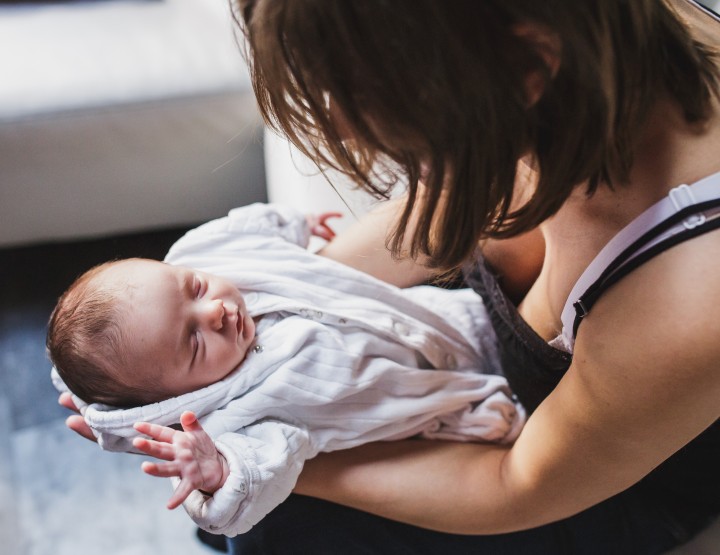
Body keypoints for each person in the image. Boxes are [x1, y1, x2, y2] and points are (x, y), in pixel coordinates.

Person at [60, 0, 720, 553]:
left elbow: (517, 482)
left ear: (527, 67)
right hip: (505, 380)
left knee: (282, 520)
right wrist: (245, 365)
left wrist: (258, 459)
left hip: (604, 483)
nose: (345, 127)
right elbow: (416, 235)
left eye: (362, 93)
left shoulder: (691, 297)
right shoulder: (571, 76)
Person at [48, 202, 524, 536]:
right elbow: (258, 472)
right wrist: (216, 471)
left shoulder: (210, 256)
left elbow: (241, 228)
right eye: (192, 342)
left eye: (193, 289)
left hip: (446, 316)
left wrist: (294, 224)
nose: (213, 311)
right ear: (176, 397)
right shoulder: (234, 415)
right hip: (457, 404)